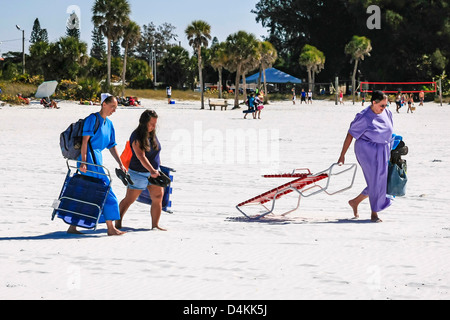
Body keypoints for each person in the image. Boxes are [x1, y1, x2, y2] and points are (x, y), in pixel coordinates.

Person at [67, 94, 126, 236]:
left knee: (88, 193)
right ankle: (110, 228)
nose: (114, 110)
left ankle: (72, 226)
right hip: (89, 160)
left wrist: (120, 163)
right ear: (103, 104)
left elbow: (112, 146)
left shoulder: (109, 124)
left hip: (97, 160)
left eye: (115, 108)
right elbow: (84, 142)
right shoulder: (92, 119)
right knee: (106, 191)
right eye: (112, 107)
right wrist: (83, 163)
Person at [338, 90, 393, 223]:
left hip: (383, 149)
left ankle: (355, 202)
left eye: (386, 105)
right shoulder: (364, 117)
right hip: (366, 150)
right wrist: (342, 155)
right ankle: (374, 213)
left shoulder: (386, 112)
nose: (384, 108)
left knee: (382, 181)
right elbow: (350, 134)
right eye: (382, 105)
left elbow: (388, 130)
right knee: (375, 181)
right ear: (374, 102)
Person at [117, 110, 166, 231]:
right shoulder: (136, 136)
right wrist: (153, 170)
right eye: (151, 124)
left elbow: (155, 151)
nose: (154, 127)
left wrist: (157, 168)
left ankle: (155, 225)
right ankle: (117, 223)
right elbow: (141, 156)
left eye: (155, 124)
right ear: (144, 123)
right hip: (138, 173)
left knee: (158, 197)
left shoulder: (152, 134)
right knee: (129, 199)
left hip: (154, 172)